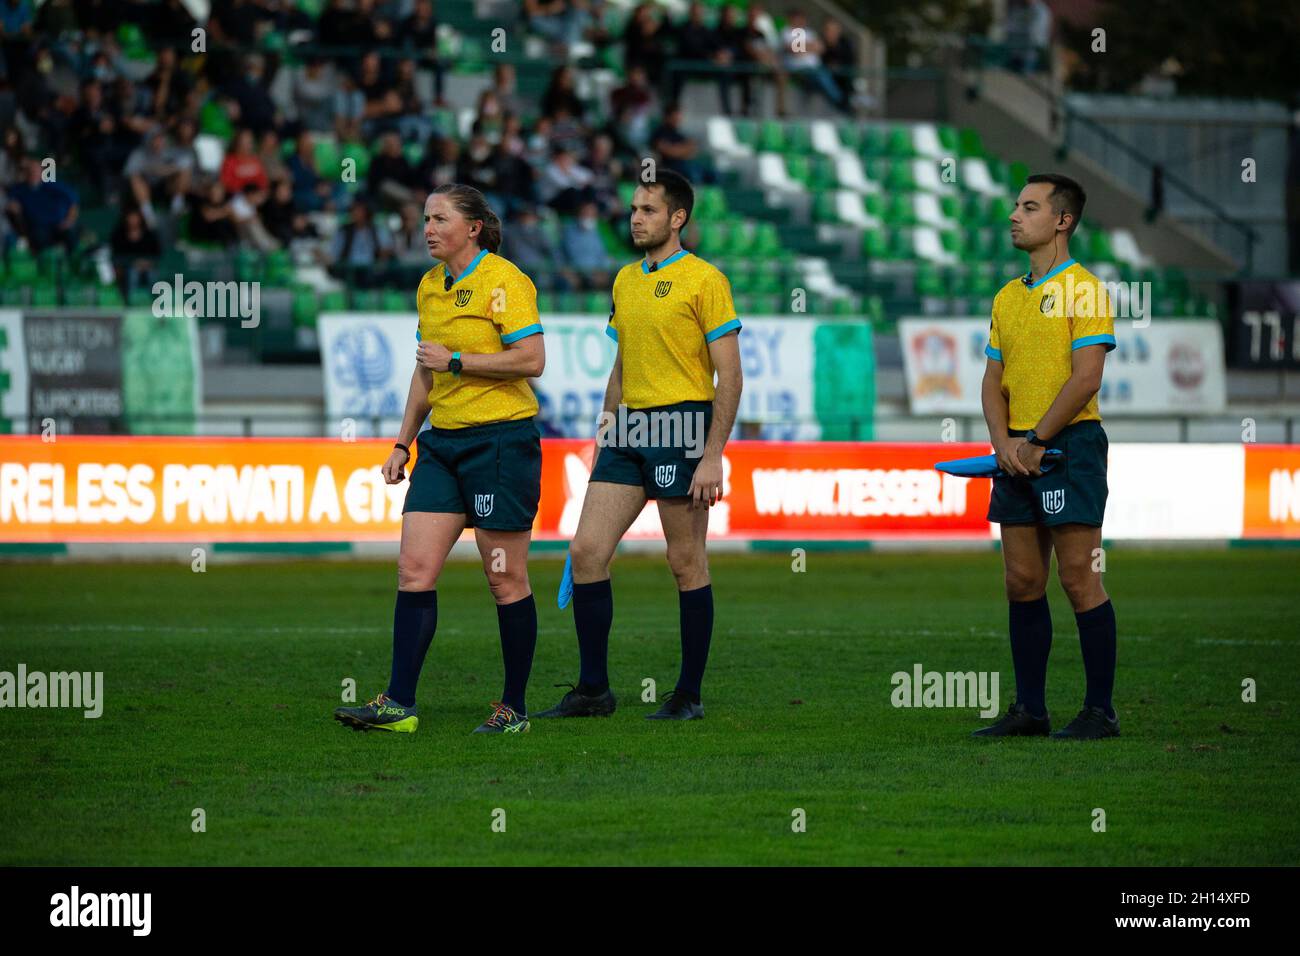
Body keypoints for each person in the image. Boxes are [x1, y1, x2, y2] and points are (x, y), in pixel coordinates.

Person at [334, 184, 547, 735]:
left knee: (504, 580)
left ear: (472, 227)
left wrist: (456, 360)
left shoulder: (503, 281)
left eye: (439, 218)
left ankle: (514, 709)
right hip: (443, 445)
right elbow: (425, 371)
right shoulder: (429, 286)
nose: (427, 228)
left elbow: (532, 359)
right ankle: (398, 704)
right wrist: (404, 442)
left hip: (500, 442)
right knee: (414, 571)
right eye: (424, 218)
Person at [537, 169, 743, 721]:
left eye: (648, 210)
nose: (635, 218)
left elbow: (731, 375)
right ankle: (593, 690)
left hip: (683, 425)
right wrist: (605, 431)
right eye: (633, 208)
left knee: (684, 562)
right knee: (585, 553)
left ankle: (688, 695)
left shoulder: (705, 280)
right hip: (628, 430)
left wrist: (714, 453)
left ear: (677, 218)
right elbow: (621, 367)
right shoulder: (625, 280)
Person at [972, 173, 1120, 741]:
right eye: (1015, 205)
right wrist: (1005, 444)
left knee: (1080, 577)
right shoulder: (1008, 296)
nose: (1014, 215)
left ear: (1063, 221)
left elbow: (1087, 378)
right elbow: (992, 382)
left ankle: (1099, 711)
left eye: (1029, 207)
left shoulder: (1085, 291)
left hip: (1070, 446)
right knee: (1021, 579)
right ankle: (1030, 711)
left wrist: (1035, 441)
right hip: (1015, 449)